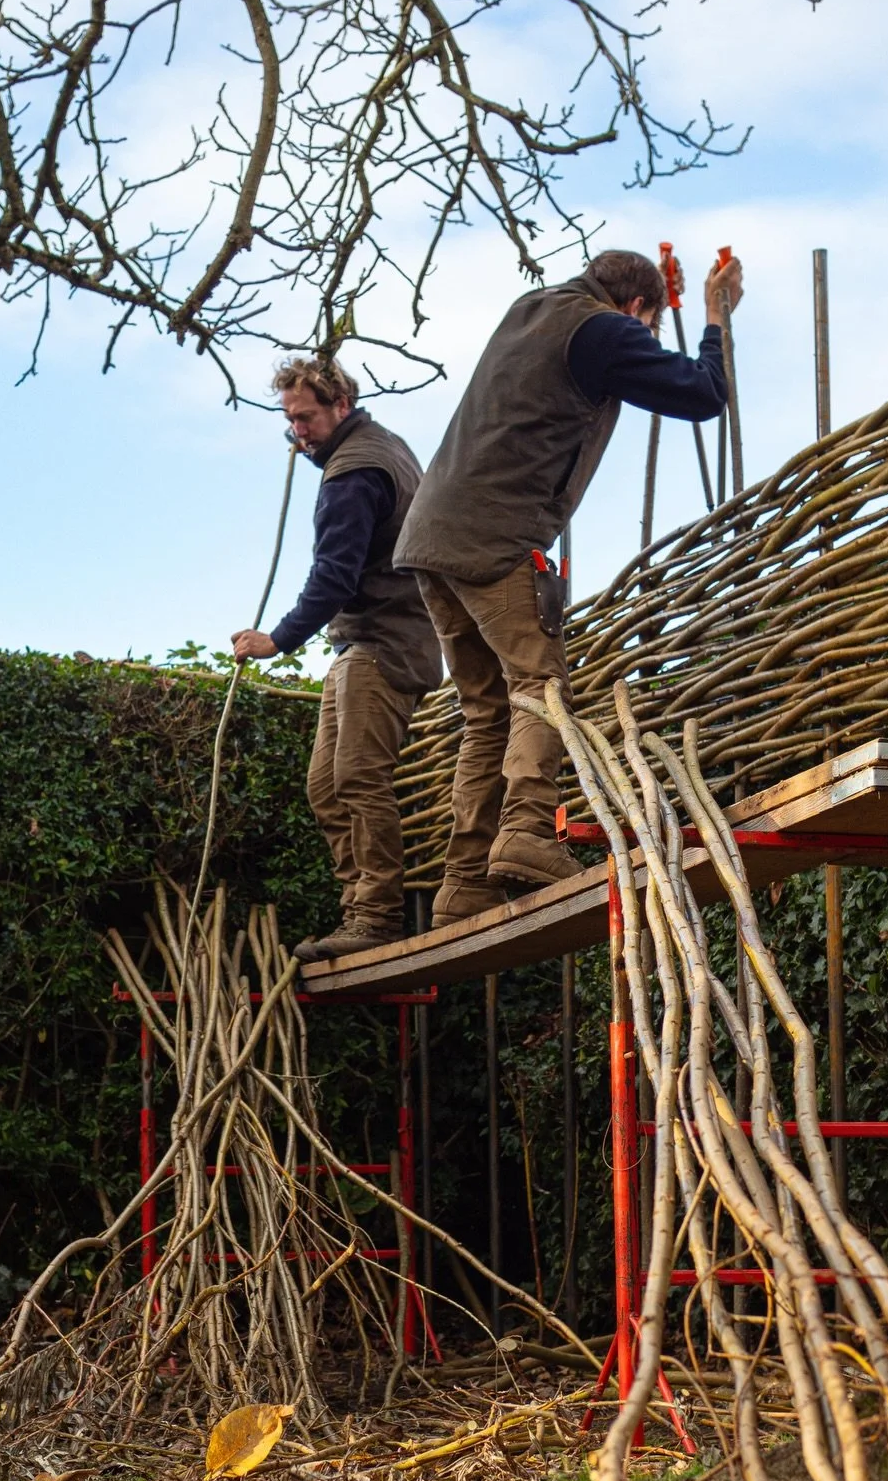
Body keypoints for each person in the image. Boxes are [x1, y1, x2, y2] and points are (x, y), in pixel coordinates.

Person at [395, 248, 743, 925]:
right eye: (646, 327)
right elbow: (703, 395)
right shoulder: (604, 330)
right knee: (538, 687)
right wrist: (713, 316)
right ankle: (525, 828)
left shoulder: (533, 309)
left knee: (486, 710)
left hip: (431, 537)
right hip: (493, 536)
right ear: (638, 309)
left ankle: (464, 882)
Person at [232, 357, 442, 960]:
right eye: (290, 420)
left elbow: (334, 575)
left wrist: (278, 638)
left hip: (385, 639)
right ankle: (359, 912)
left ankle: (375, 917)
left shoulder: (355, 472)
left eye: (306, 416)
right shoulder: (383, 447)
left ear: (340, 405)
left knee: (355, 778)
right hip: (374, 639)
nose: (298, 431)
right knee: (325, 785)